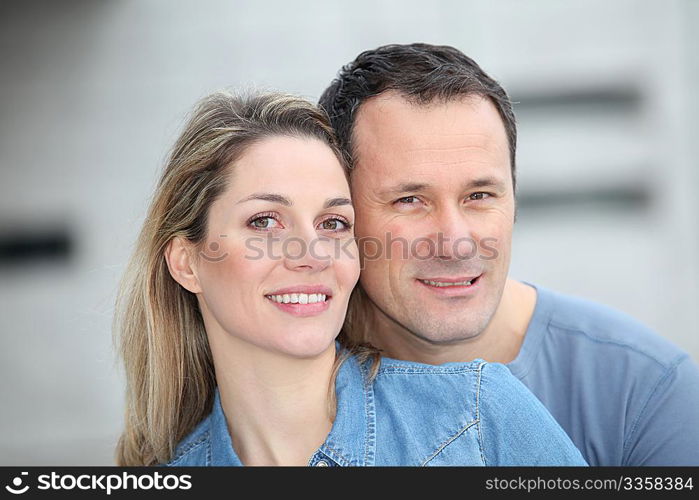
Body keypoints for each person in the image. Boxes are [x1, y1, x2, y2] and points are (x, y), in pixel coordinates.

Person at [113, 90, 586, 466]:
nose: (312, 254)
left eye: (333, 223)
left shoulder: (479, 419)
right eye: (265, 222)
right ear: (185, 262)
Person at [318, 42, 699, 466]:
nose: (456, 241)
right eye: (410, 200)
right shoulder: (287, 378)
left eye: (479, 195)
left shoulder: (645, 392)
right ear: (340, 216)